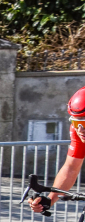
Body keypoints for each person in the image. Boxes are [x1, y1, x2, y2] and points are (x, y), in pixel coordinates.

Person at [30, 85, 85, 213]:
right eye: (76, 122)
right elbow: (71, 168)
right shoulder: (78, 131)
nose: (80, 129)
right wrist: (50, 200)